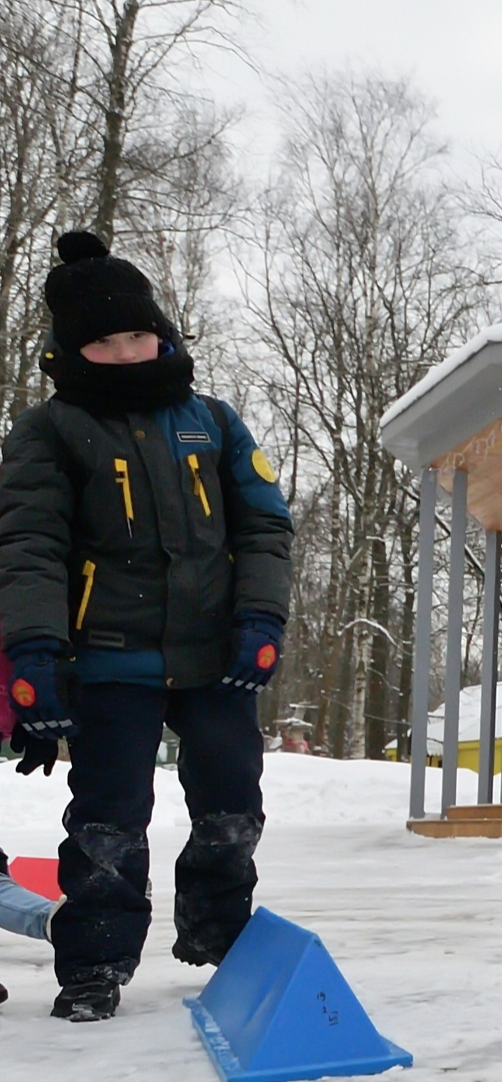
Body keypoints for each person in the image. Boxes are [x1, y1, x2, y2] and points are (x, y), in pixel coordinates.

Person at [0, 232, 291, 1021]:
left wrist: (260, 617)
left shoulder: (211, 421)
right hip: (107, 658)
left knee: (232, 804)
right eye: (104, 340)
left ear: (162, 333)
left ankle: (220, 937)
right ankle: (94, 962)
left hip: (214, 657)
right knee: (108, 818)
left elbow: (265, 527)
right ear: (73, 350)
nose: (127, 352)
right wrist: (34, 650)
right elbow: (29, 546)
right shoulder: (48, 432)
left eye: (138, 335)